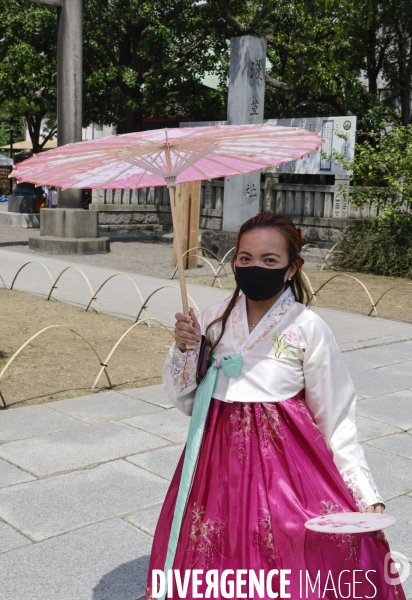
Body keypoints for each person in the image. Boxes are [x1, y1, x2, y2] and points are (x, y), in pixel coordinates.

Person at [145, 212, 405, 600]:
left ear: (292, 267)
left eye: (269, 260)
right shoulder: (212, 320)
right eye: (245, 259)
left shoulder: (307, 327)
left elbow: (334, 413)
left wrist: (364, 492)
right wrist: (184, 349)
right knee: (212, 544)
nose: (254, 269)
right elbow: (186, 400)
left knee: (291, 545)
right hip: (215, 454)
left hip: (286, 460)